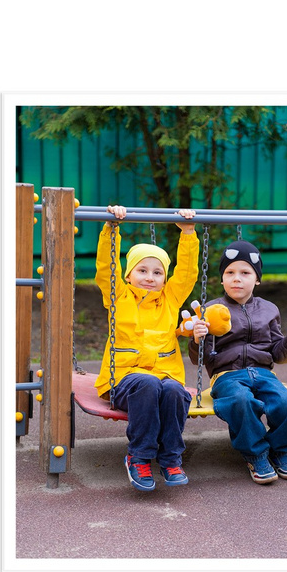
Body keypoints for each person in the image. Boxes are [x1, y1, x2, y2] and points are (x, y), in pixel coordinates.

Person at [93, 206, 199, 492]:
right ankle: (139, 456)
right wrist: (111, 228)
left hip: (165, 376)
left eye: (157, 272)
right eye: (142, 270)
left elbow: (187, 274)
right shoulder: (119, 296)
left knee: (176, 391)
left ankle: (170, 458)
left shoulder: (171, 299)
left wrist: (188, 234)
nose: (150, 277)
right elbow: (106, 267)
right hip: (125, 380)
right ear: (128, 275)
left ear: (165, 279)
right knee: (149, 384)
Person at [190, 237, 287, 484]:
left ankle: (280, 449)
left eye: (245, 272)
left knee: (285, 401)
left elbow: (279, 354)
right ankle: (256, 454)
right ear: (222, 279)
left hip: (264, 373)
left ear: (256, 279)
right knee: (241, 400)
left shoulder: (269, 309)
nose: (237, 278)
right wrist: (196, 339)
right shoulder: (211, 310)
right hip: (227, 375)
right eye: (230, 272)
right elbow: (199, 359)